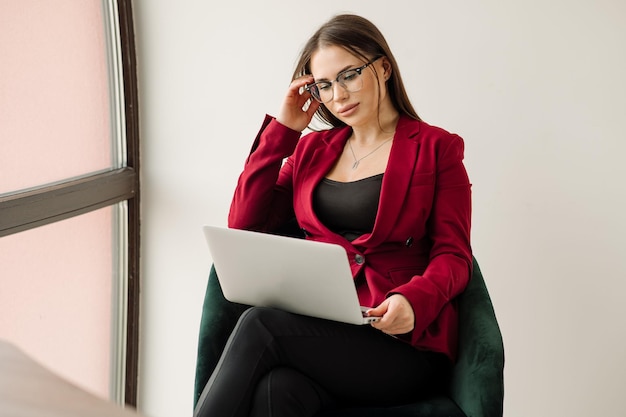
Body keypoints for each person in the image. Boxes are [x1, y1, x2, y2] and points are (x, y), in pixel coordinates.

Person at [194, 13, 472, 417]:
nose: (338, 95)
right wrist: (284, 131)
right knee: (278, 390)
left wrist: (413, 301)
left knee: (260, 325)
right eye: (324, 85)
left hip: (399, 343)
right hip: (323, 329)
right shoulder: (311, 151)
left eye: (349, 75)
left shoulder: (436, 148)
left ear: (383, 67)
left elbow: (455, 254)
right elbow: (245, 224)